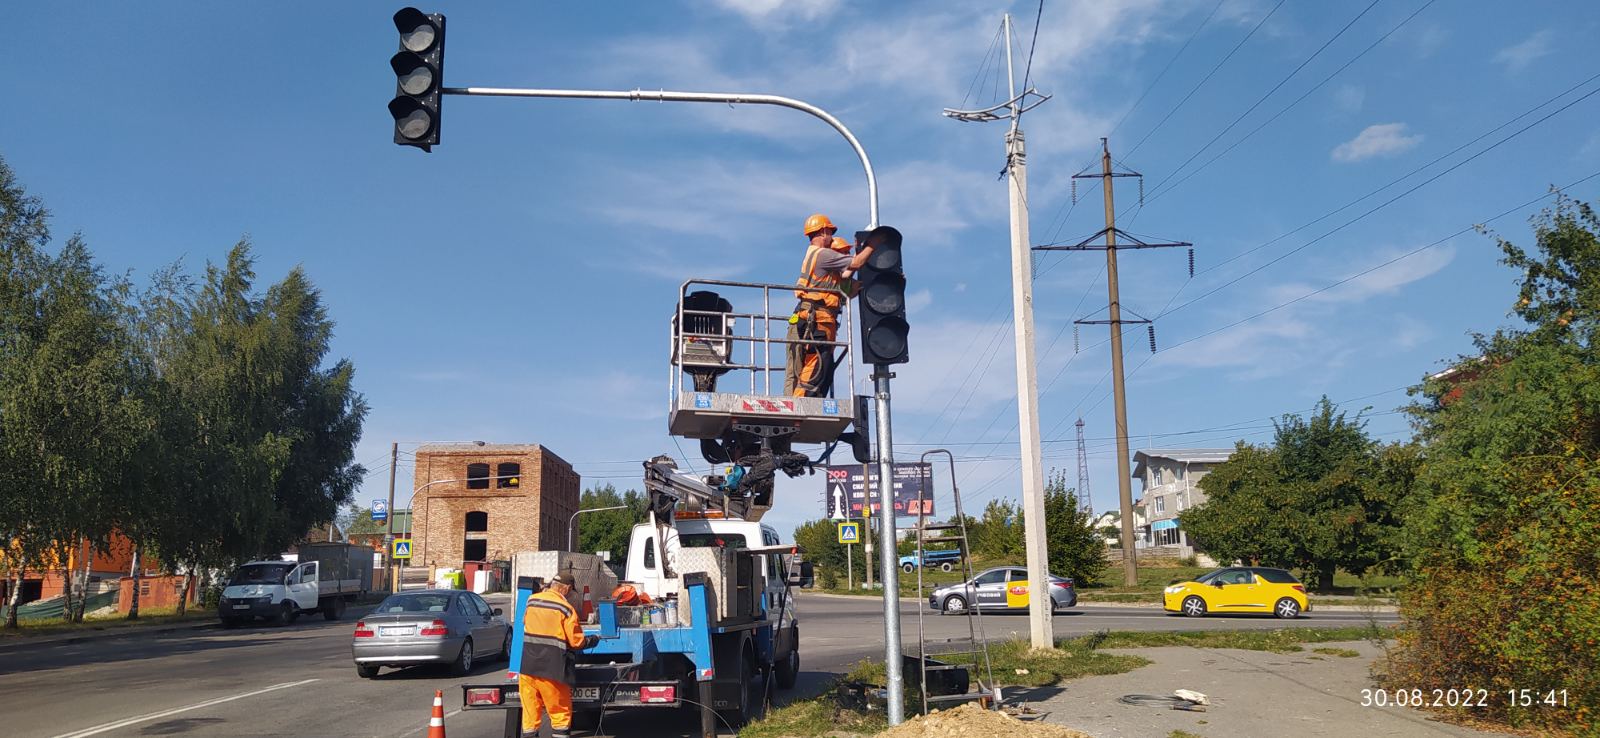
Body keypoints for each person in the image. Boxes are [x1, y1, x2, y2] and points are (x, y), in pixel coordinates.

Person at [784, 213, 875, 397]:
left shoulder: (828, 271)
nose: (843, 256)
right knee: (811, 366)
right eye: (841, 252)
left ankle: (806, 401)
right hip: (813, 318)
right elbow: (854, 265)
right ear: (823, 231)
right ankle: (799, 403)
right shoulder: (823, 255)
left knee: (819, 367)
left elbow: (848, 287)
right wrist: (875, 243)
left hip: (815, 318)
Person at [519, 572, 598, 738]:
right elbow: (576, 642)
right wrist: (592, 640)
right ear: (567, 588)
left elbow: (526, 623)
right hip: (552, 669)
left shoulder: (532, 601)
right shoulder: (566, 609)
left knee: (530, 716)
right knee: (560, 714)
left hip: (527, 668)